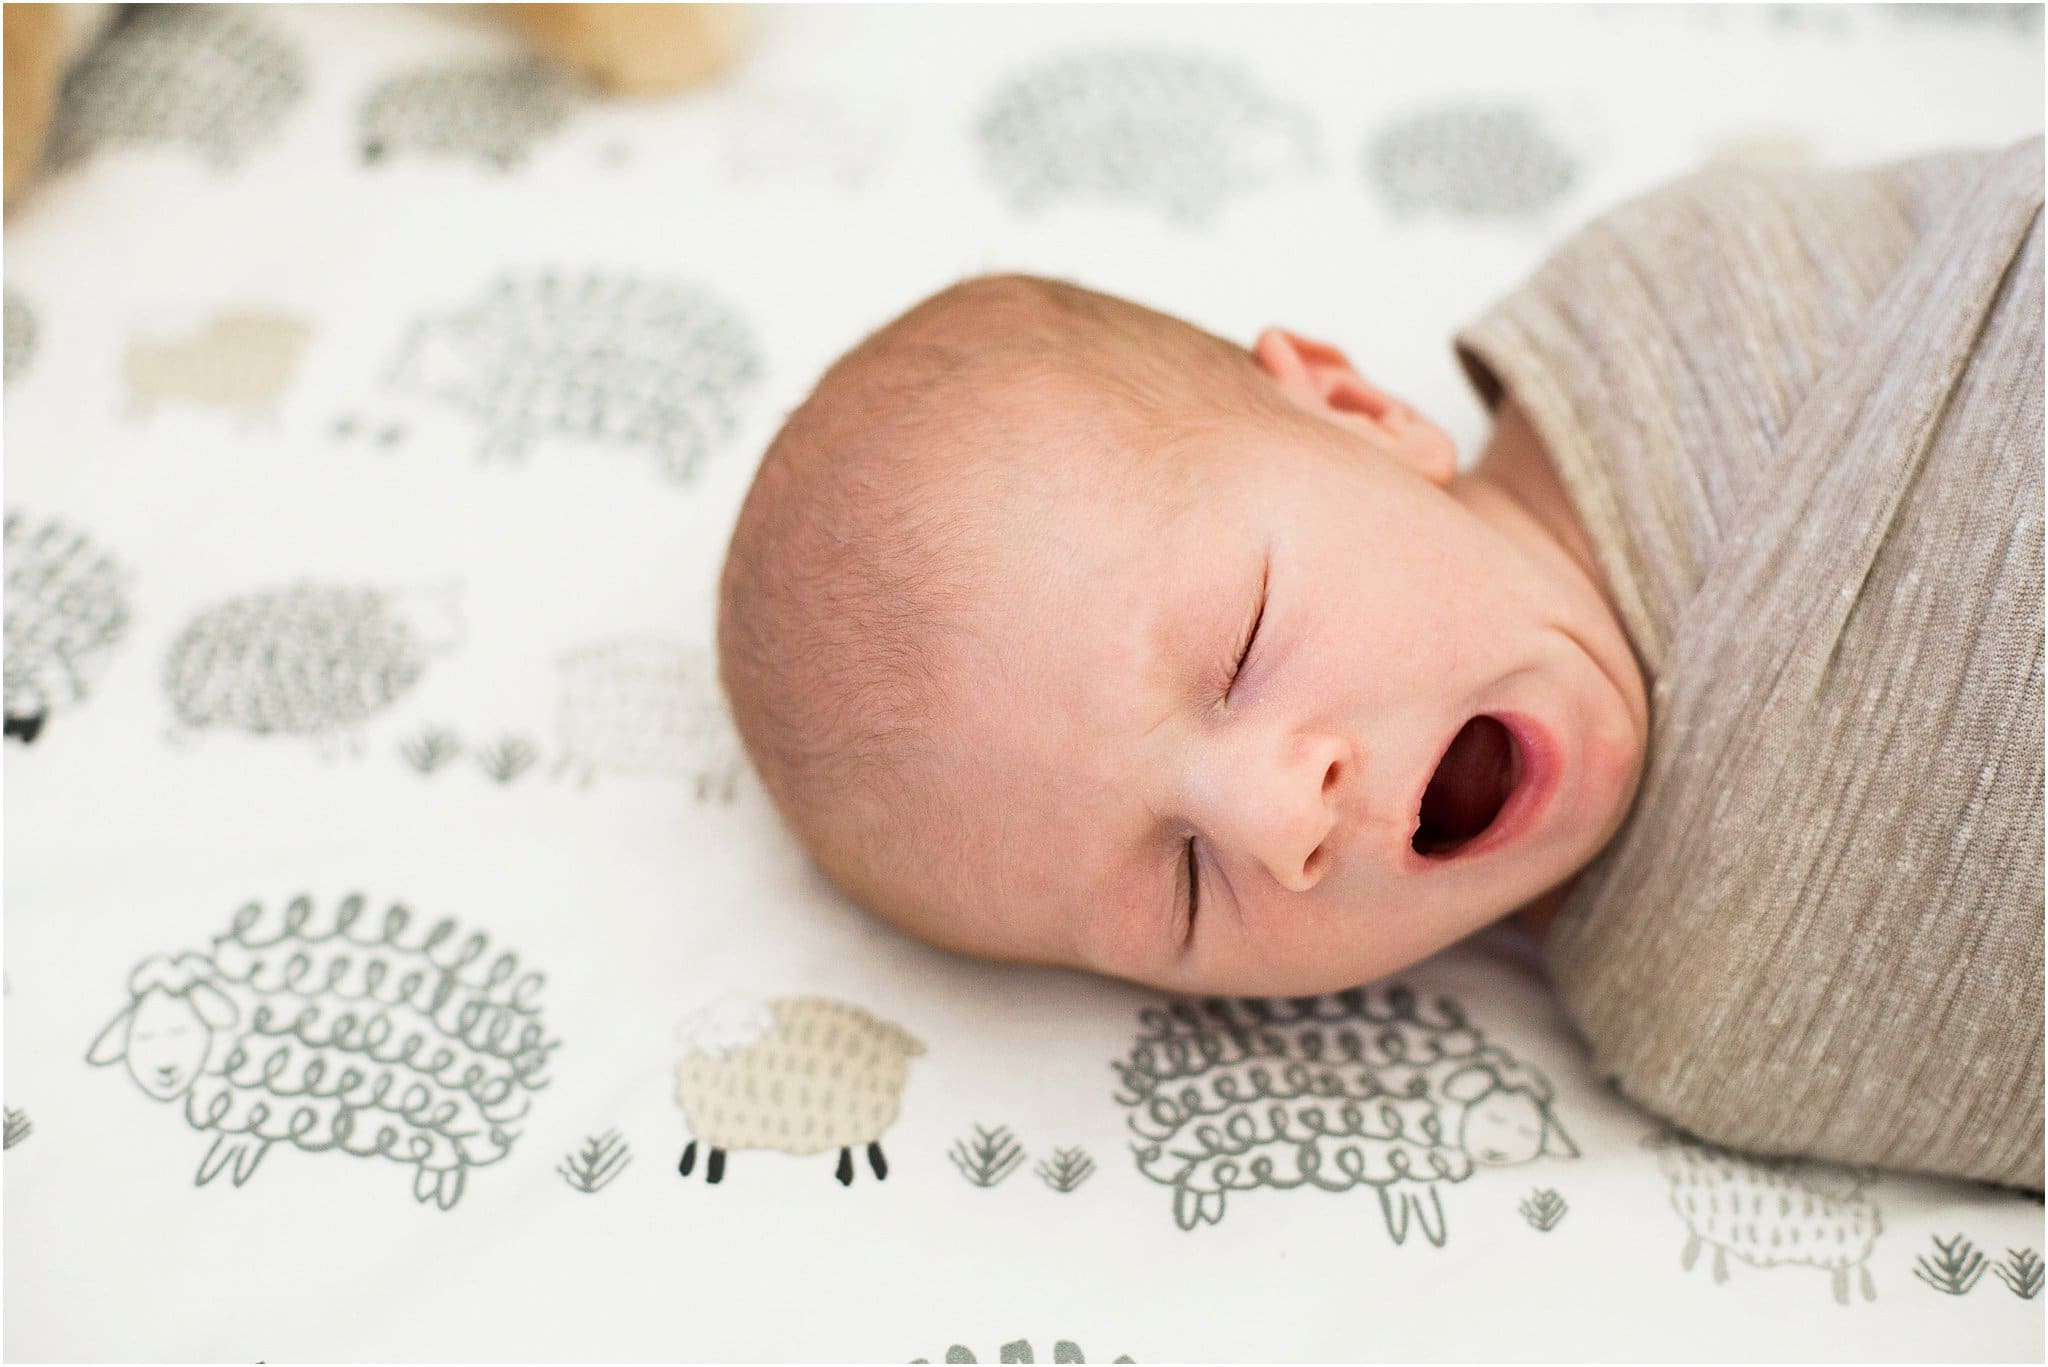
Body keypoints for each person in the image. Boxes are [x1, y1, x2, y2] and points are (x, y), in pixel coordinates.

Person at [719, 133, 2044, 1191]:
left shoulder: (1680, 311)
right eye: (1181, 891)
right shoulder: (1709, 1030)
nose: (1275, 819)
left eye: (1240, 646)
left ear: (1360, 412)